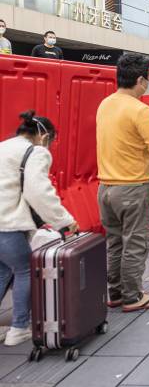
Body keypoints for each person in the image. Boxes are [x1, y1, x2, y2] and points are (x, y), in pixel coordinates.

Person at [96, 53, 149, 312]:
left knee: (115, 242)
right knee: (136, 243)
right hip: (133, 187)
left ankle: (116, 292)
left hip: (106, 188)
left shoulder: (105, 104)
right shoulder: (141, 109)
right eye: (148, 79)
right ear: (140, 80)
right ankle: (133, 296)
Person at [0, 112, 78, 346]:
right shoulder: (36, 152)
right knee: (24, 269)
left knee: (3, 271)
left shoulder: (5, 147)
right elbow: (38, 192)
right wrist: (64, 221)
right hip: (7, 224)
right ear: (44, 136)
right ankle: (19, 328)